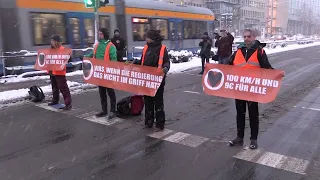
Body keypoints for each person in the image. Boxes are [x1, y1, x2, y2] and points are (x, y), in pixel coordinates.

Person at [228, 29, 284, 149]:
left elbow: (266, 67)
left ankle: (253, 139)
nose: (246, 39)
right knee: (240, 114)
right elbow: (228, 65)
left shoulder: (259, 51)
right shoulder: (239, 50)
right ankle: (239, 137)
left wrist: (276, 74)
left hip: (253, 88)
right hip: (239, 87)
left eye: (249, 36)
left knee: (253, 114)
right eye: (244, 36)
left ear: (254, 37)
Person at [132, 30, 170, 130]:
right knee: (148, 101)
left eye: (147, 37)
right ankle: (149, 120)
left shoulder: (162, 49)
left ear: (152, 38)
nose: (146, 39)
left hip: (158, 80)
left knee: (158, 101)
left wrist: (165, 68)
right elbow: (143, 61)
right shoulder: (146, 48)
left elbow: (166, 62)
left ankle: (159, 122)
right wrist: (135, 62)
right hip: (146, 79)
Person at [84, 28, 118, 119]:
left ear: (105, 35)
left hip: (107, 74)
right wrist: (84, 57)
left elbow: (114, 60)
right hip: (99, 74)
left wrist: (112, 71)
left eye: (101, 34)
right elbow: (91, 55)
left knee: (111, 93)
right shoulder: (97, 45)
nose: (99, 36)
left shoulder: (111, 46)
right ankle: (104, 110)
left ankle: (113, 110)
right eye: (98, 34)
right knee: (102, 93)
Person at [48, 34, 72, 111]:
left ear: (57, 41)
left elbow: (69, 58)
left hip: (59, 72)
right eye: (51, 41)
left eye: (53, 41)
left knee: (63, 88)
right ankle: (55, 100)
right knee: (54, 87)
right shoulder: (51, 50)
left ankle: (68, 104)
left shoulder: (62, 49)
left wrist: (66, 58)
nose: (52, 42)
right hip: (52, 71)